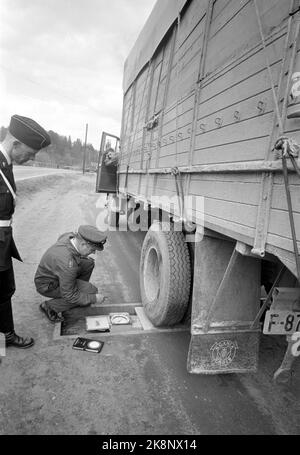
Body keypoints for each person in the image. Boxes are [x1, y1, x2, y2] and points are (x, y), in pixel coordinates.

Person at [0, 114, 51, 348]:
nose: (30, 160)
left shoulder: (6, 164)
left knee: (5, 290)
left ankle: (6, 336)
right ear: (15, 144)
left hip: (3, 239)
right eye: (29, 154)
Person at [34, 225, 108, 323]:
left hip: (52, 276)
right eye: (91, 249)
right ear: (83, 244)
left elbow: (61, 237)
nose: (93, 252)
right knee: (91, 292)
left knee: (88, 263)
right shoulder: (68, 264)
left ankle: (79, 293)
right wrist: (94, 298)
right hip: (48, 286)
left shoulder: (70, 237)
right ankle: (50, 306)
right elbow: (69, 295)